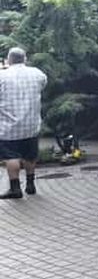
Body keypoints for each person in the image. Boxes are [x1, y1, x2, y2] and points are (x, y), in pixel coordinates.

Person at [0, 48, 48, 199]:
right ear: (25, 59)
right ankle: (30, 185)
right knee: (30, 155)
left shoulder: (2, 76)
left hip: (9, 126)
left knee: (11, 156)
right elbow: (43, 85)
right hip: (31, 124)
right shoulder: (37, 73)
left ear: (9, 60)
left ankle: (15, 189)